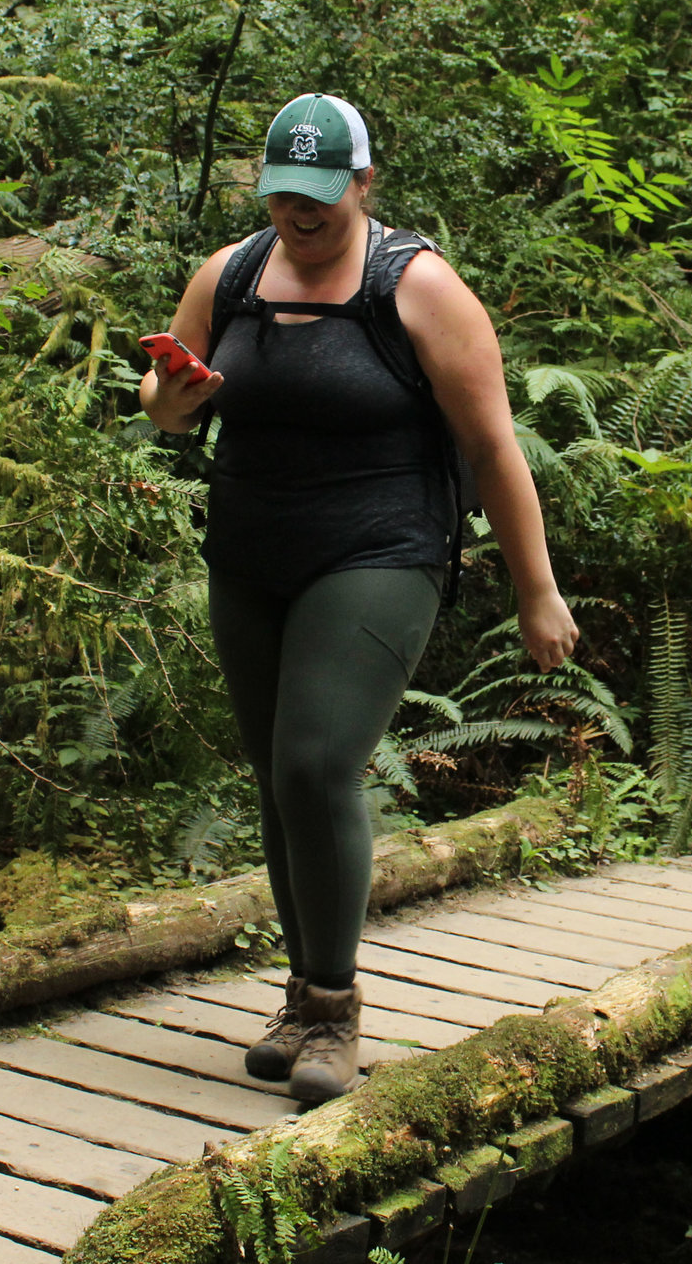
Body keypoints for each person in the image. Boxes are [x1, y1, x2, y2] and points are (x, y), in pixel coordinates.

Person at [139, 92, 580, 1106]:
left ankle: (333, 1008)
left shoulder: (419, 289)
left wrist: (536, 589)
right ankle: (297, 999)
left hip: (381, 548)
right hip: (251, 551)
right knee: (273, 776)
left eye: (322, 197)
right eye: (285, 195)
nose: (301, 214)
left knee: (316, 760)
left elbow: (492, 449)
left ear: (364, 182)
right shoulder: (231, 273)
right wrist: (175, 399)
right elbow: (166, 416)